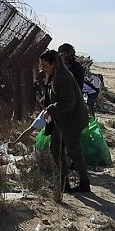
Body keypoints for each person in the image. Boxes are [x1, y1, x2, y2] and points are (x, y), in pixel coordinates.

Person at [39, 49, 91, 195]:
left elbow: (69, 102)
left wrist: (51, 108)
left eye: (44, 65)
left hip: (72, 120)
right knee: (55, 149)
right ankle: (64, 183)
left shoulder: (63, 77)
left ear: (53, 64)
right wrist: (45, 102)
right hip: (60, 121)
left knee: (74, 151)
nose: (43, 69)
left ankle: (85, 183)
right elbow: (54, 96)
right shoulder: (53, 76)